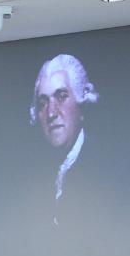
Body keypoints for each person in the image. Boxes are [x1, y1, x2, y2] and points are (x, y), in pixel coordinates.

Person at [29, 53, 98, 226]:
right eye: (43, 102)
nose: (51, 113)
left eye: (61, 96)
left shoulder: (104, 168)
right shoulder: (31, 177)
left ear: (82, 102)